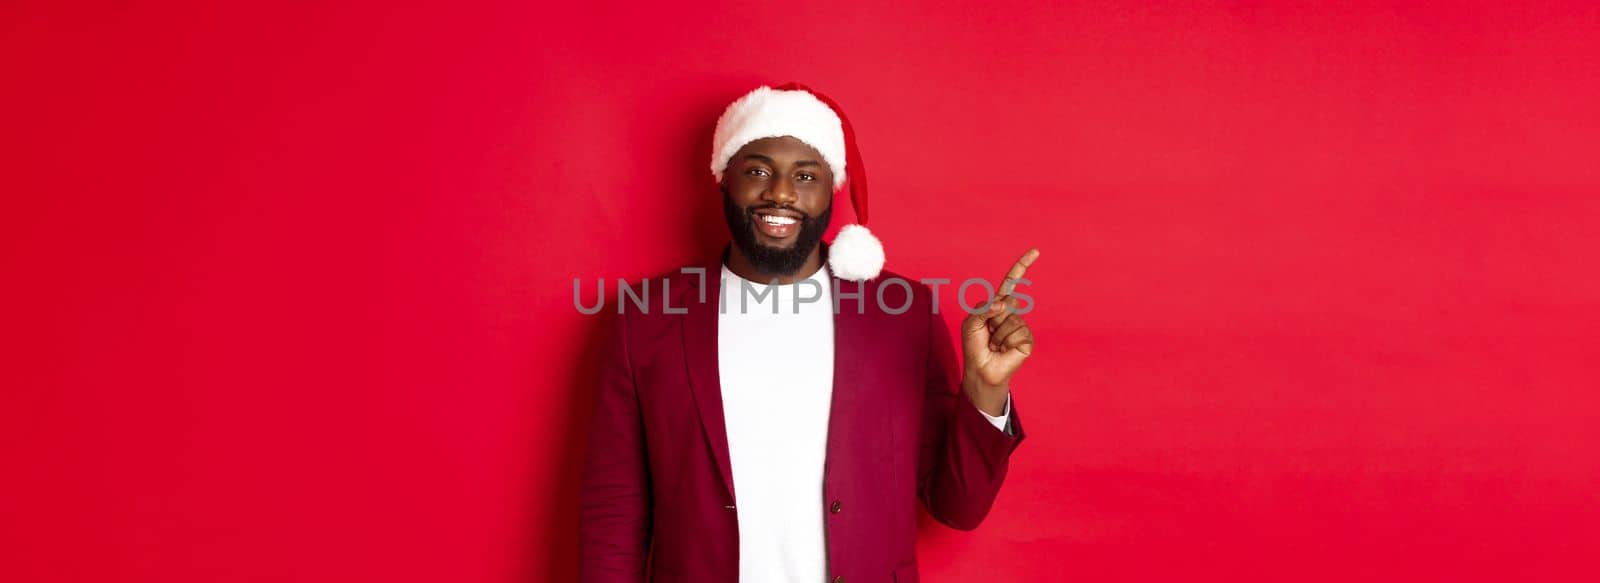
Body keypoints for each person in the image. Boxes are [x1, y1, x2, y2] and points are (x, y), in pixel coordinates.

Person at [579, 83, 1039, 583]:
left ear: (830, 190)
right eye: (757, 170)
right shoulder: (645, 320)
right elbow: (614, 513)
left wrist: (986, 389)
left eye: (805, 174)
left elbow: (958, 508)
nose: (780, 192)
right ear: (723, 181)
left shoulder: (900, 315)